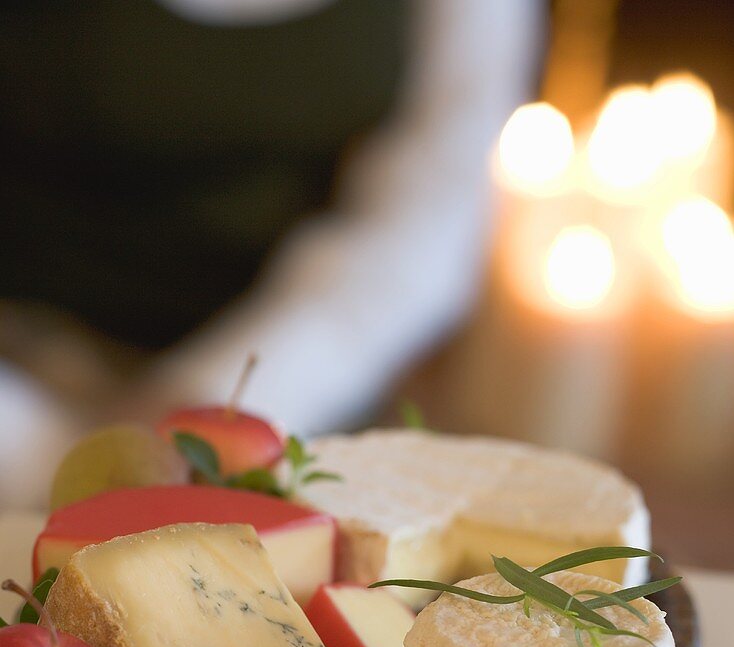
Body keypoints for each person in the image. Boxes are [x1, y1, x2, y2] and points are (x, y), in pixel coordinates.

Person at [0, 0, 543, 506]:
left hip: (289, 406)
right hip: (22, 380)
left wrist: (203, 418)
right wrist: (36, 444)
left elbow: (433, 212)